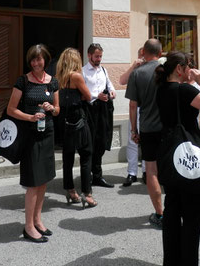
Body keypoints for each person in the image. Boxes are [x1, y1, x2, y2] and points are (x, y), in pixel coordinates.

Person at [155, 51, 200, 265]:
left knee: (172, 211)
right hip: (189, 154)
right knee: (193, 217)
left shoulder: (162, 88)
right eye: (188, 66)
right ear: (179, 69)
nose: (191, 69)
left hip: (169, 153)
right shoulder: (184, 90)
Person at [6, 44, 59, 243]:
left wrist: (51, 107)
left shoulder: (52, 81)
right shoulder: (23, 81)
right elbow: (11, 109)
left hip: (47, 135)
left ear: (45, 59)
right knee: (33, 183)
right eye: (33, 59)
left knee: (43, 180)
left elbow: (58, 109)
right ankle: (28, 226)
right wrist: (30, 117)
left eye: (39, 59)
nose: (36, 63)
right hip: (30, 136)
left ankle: (37, 220)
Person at [125, 39, 164, 228]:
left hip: (148, 128)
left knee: (152, 171)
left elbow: (133, 105)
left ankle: (160, 213)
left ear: (143, 53)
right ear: (161, 52)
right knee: (170, 169)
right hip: (168, 128)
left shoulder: (138, 73)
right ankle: (173, 211)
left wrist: (134, 129)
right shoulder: (166, 71)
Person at [56, 48, 97, 208]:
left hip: (64, 119)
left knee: (68, 157)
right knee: (86, 155)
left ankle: (71, 190)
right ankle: (87, 193)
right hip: (78, 118)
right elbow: (88, 96)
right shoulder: (76, 76)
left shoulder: (58, 77)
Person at [83, 43, 116, 188]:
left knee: (102, 141)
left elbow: (108, 84)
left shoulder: (103, 69)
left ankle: (97, 175)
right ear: (89, 55)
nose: (99, 59)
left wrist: (112, 90)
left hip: (103, 110)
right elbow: (83, 94)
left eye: (100, 56)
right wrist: (97, 96)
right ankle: (89, 175)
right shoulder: (83, 72)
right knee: (90, 143)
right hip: (90, 110)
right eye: (96, 56)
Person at [119, 47, 146, 187]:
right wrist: (132, 67)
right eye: (140, 56)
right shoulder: (135, 70)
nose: (142, 58)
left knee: (148, 141)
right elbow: (121, 81)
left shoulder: (154, 69)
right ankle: (132, 172)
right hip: (135, 108)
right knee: (132, 141)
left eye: (144, 56)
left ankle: (147, 171)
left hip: (149, 109)